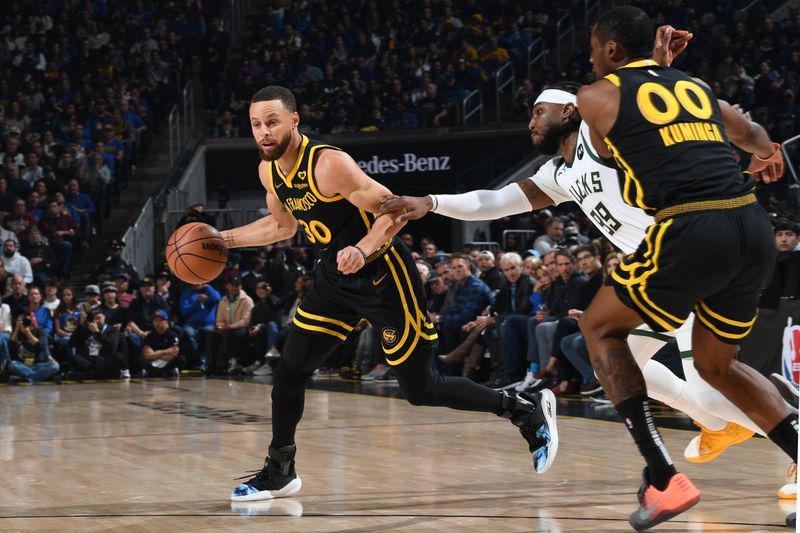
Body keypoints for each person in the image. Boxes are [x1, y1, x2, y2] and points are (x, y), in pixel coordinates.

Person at [379, 35, 795, 524]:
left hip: (683, 255)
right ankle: (714, 425)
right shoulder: (560, 171)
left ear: (572, 110)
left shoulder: (608, 139)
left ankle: (776, 446)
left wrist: (658, 67)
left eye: (540, 110)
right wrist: (430, 203)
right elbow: (495, 201)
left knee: (696, 377)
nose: (531, 119)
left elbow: (662, 119)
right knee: (616, 363)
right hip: (664, 265)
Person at [220, 85, 558, 502]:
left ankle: (523, 409)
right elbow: (282, 227)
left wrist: (362, 250)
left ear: (293, 121)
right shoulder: (268, 171)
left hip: (382, 272)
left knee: (422, 389)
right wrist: (223, 240)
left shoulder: (329, 164)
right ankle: (280, 470)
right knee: (289, 373)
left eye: (272, 122)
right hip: (334, 274)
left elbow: (393, 210)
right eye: (256, 124)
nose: (263, 132)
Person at [576, 8, 795, 529]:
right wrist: (764, 156)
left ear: (609, 50)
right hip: (752, 227)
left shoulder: (593, 96)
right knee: (718, 365)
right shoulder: (698, 88)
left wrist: (651, 67)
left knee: (599, 327)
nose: (589, 58)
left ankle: (661, 477)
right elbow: (759, 139)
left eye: (592, 48)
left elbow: (617, 143)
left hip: (691, 227)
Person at [140, 310, 183, 378]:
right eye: (155, 320)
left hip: (167, 361)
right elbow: (147, 355)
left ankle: (160, 371)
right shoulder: (149, 336)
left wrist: (155, 354)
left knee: (181, 359)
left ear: (165, 321)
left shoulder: (172, 335)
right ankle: (161, 372)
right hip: (154, 362)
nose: (157, 323)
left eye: (160, 320)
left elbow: (173, 354)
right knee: (141, 360)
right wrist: (166, 351)